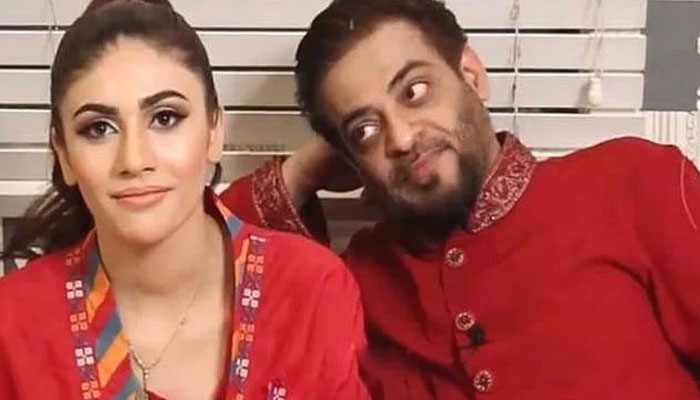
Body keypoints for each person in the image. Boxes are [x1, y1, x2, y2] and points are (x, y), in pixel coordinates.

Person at [221, 0, 700, 398]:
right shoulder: (361, 281)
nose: (402, 138)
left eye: (415, 91)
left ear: (471, 75)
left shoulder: (630, 183)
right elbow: (211, 259)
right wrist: (302, 171)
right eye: (365, 129)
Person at [0, 1, 368, 399]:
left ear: (214, 130)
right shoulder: (13, 322)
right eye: (99, 128)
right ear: (64, 155)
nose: (134, 160)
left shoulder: (311, 290)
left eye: (165, 118)